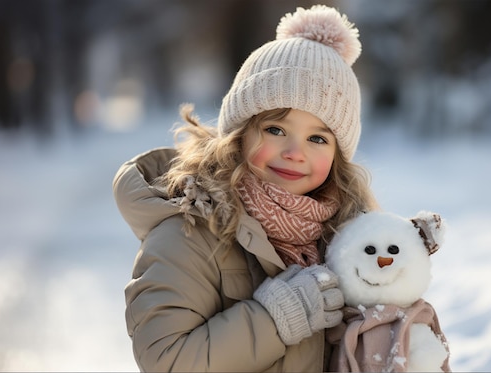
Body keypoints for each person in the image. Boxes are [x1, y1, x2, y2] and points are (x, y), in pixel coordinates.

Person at [113, 4, 378, 372]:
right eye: (275, 129)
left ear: (338, 155)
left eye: (317, 138)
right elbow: (166, 359)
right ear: (238, 134)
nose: (294, 153)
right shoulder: (188, 230)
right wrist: (274, 319)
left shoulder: (344, 236)